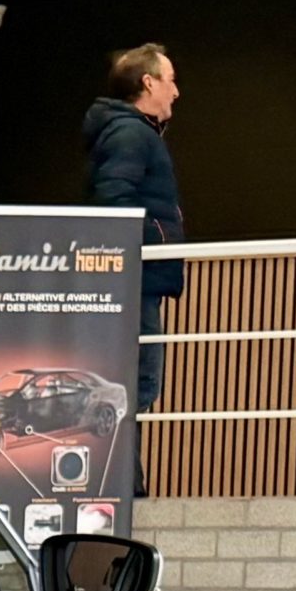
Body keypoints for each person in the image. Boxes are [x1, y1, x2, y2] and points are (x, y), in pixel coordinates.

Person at [82, 44, 184, 417]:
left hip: (137, 276)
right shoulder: (131, 135)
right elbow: (113, 202)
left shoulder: (130, 132)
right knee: (138, 386)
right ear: (149, 82)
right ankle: (123, 457)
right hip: (135, 277)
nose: (176, 91)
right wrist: (159, 240)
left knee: (136, 387)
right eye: (170, 80)